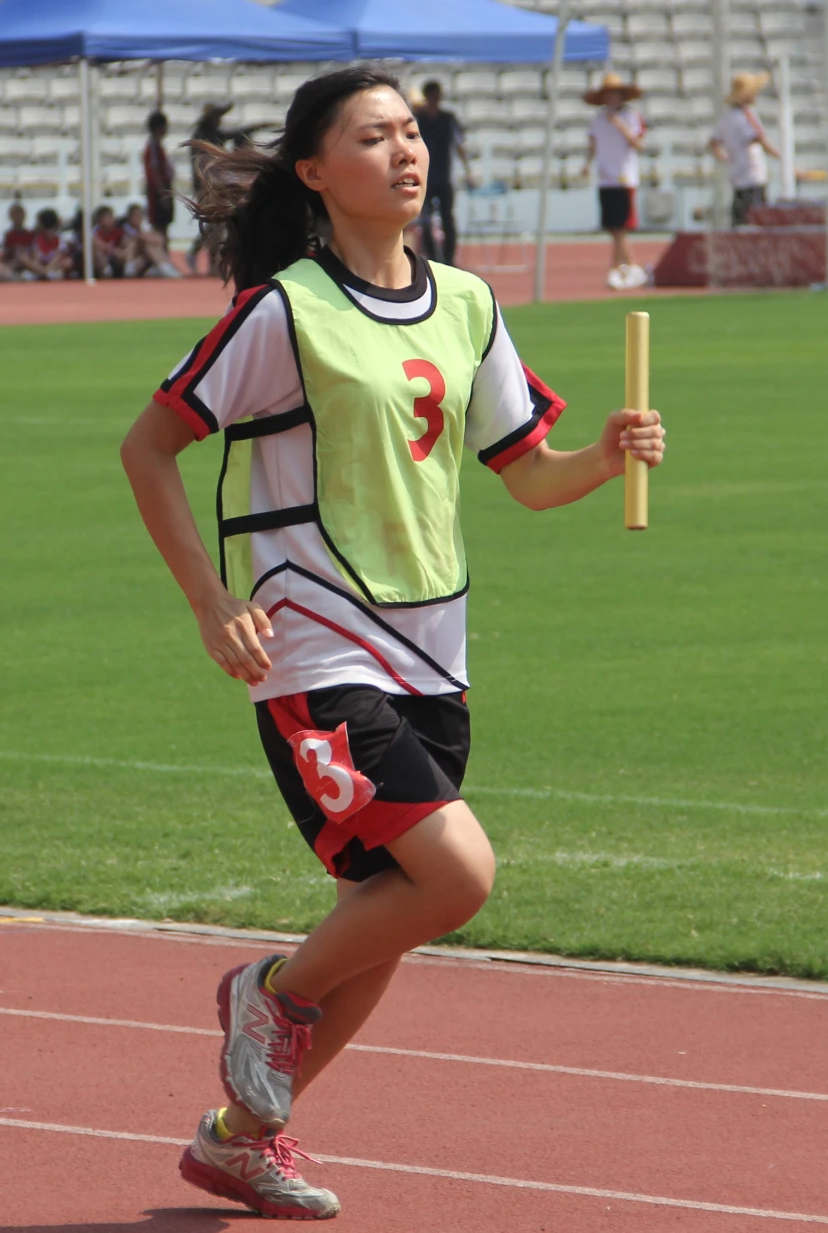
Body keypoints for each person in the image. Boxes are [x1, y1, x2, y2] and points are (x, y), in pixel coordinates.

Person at [118, 66, 666, 1222]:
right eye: (373, 137)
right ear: (315, 171)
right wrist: (211, 600)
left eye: (411, 131)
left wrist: (608, 453)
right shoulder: (285, 310)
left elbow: (523, 475)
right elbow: (148, 448)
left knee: (386, 926)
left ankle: (237, 1140)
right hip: (316, 645)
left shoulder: (466, 302)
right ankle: (264, 989)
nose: (404, 151)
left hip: (433, 652)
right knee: (456, 876)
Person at [582, 72, 649, 290]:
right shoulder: (598, 119)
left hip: (624, 177)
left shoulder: (631, 116)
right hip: (605, 178)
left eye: (616, 95)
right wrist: (587, 164)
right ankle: (627, 267)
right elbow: (593, 144)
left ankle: (620, 267)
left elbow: (638, 144)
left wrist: (620, 125)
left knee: (621, 227)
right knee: (612, 227)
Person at [410, 79, 472, 269]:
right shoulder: (417, 120)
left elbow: (459, 144)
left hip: (444, 178)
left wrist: (468, 169)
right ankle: (433, 258)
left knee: (448, 220)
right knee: (426, 220)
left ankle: (449, 259)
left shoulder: (448, 118)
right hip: (425, 178)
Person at [708, 70, 780, 225]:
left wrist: (725, 157)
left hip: (738, 177)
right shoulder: (745, 116)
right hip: (751, 177)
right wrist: (778, 155)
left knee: (740, 221)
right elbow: (759, 138)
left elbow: (713, 142)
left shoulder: (727, 118)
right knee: (755, 221)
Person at [188, 101, 236, 276]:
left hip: (216, 185)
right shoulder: (201, 136)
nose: (219, 121)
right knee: (214, 224)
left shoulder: (214, 134)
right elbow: (202, 165)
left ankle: (209, 260)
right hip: (206, 186)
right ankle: (202, 256)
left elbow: (234, 134)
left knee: (217, 224)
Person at [142, 109, 181, 273]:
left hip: (161, 190)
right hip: (158, 192)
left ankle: (163, 258)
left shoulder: (157, 146)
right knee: (159, 227)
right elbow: (154, 171)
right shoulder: (153, 148)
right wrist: (162, 192)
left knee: (163, 226)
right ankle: (161, 260)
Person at [122, 201, 181, 277]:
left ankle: (164, 266)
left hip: (145, 260)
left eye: (140, 215)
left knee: (151, 246)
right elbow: (125, 246)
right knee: (144, 244)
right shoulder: (124, 229)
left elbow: (160, 240)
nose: (138, 218)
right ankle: (165, 267)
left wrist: (145, 238)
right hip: (131, 260)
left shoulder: (145, 229)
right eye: (135, 216)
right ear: (130, 217)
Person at [0, 200, 39, 279]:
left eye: (20, 213)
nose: (18, 216)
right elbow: (3, 253)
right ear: (10, 216)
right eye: (15, 214)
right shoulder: (8, 235)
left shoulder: (31, 235)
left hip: (29, 266)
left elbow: (35, 252)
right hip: (14, 266)